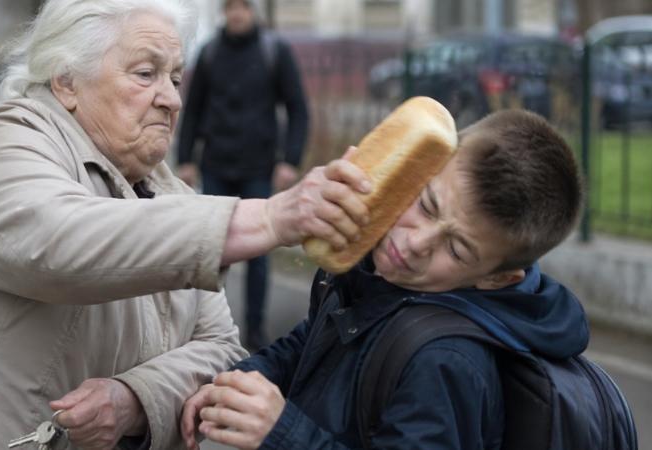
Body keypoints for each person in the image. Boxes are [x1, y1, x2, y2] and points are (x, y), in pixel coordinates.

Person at [0, 1, 372, 449]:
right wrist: (273, 215)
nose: (173, 98)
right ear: (67, 80)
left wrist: (136, 398)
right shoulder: (5, 141)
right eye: (146, 73)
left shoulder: (171, 194)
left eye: (176, 77)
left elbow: (221, 346)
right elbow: (56, 242)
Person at [181, 110, 586, 450]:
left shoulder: (448, 362)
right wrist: (236, 383)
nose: (414, 244)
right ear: (422, 164)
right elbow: (313, 343)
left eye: (458, 250)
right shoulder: (378, 274)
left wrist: (282, 433)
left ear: (498, 278)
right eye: (427, 205)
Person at [176, 0, 310, 351]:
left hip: (258, 168)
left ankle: (253, 329)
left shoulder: (273, 51)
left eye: (243, 7)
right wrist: (185, 159)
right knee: (209, 251)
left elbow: (298, 108)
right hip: (216, 165)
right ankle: (207, 330)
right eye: (231, 7)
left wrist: (290, 160)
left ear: (254, 11)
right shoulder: (210, 53)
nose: (236, 14)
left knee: (259, 253)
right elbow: (192, 110)